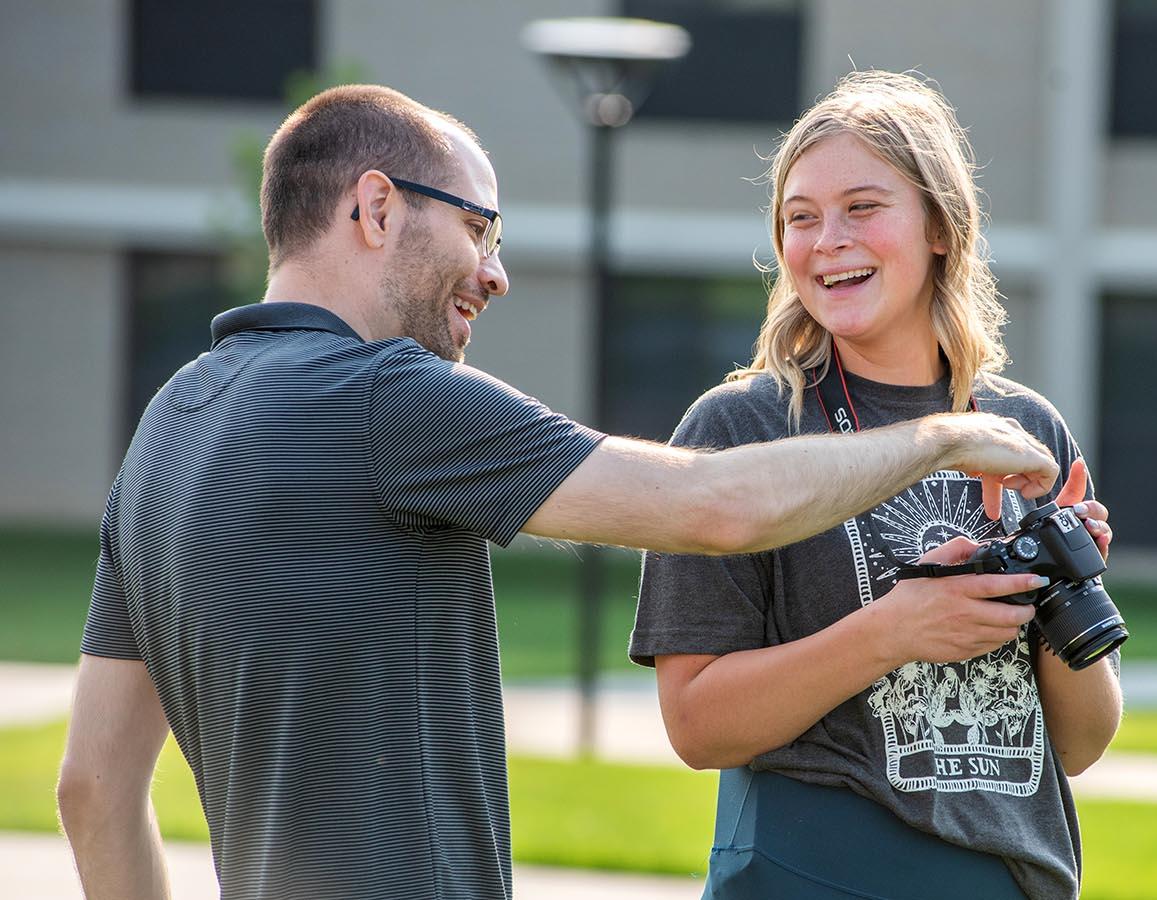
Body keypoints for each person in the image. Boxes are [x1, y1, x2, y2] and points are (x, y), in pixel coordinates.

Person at [54, 84, 1063, 900]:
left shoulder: (165, 426)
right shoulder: (387, 395)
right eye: (478, 229)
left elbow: (93, 791)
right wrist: (945, 435)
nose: (493, 273)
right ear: (374, 208)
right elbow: (713, 507)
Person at [630, 71, 1123, 899]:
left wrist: (1059, 590)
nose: (827, 240)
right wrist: (894, 631)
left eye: (862, 207)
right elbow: (696, 724)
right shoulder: (740, 432)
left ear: (940, 225)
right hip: (818, 872)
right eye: (801, 217)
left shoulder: (1025, 430)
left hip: (1014, 878)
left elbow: (1078, 744)